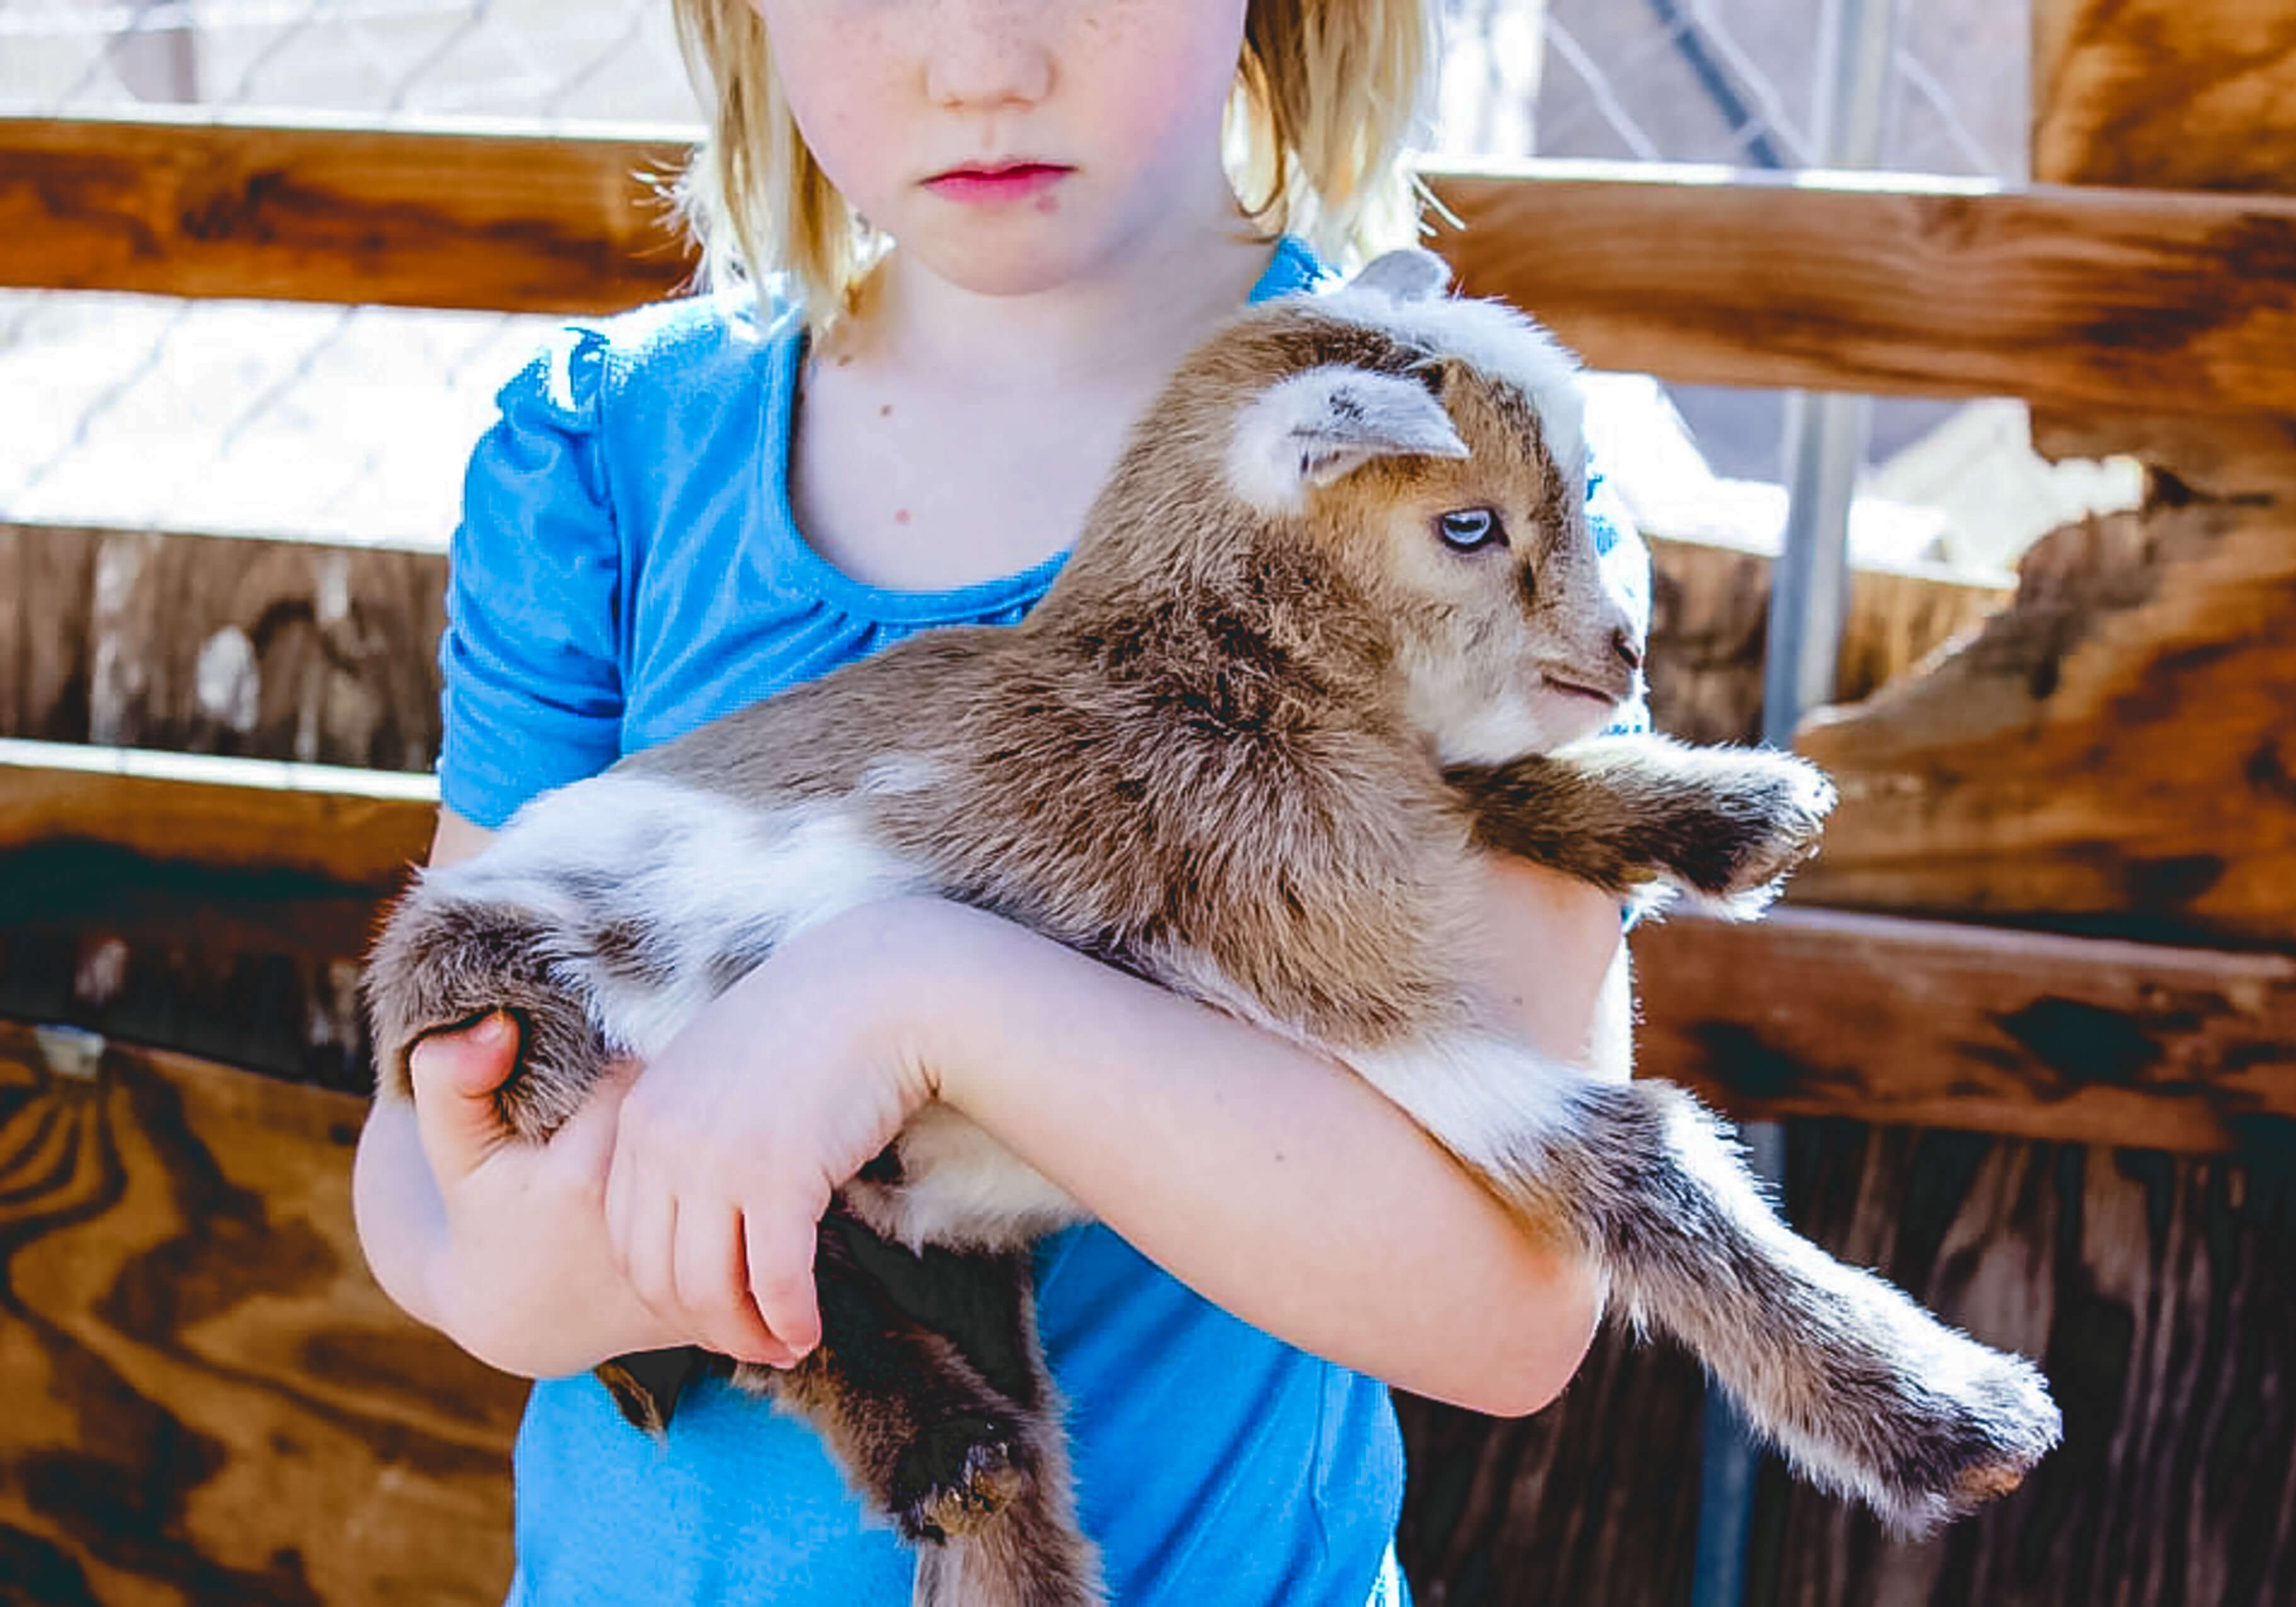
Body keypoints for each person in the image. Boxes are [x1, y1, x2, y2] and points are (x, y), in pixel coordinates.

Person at [350, 1, 1654, 1601]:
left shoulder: (1462, 485)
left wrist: (917, 997)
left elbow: (1506, 1305)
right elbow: (426, 1141)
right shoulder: (611, 456)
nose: (979, 61)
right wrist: (501, 1278)